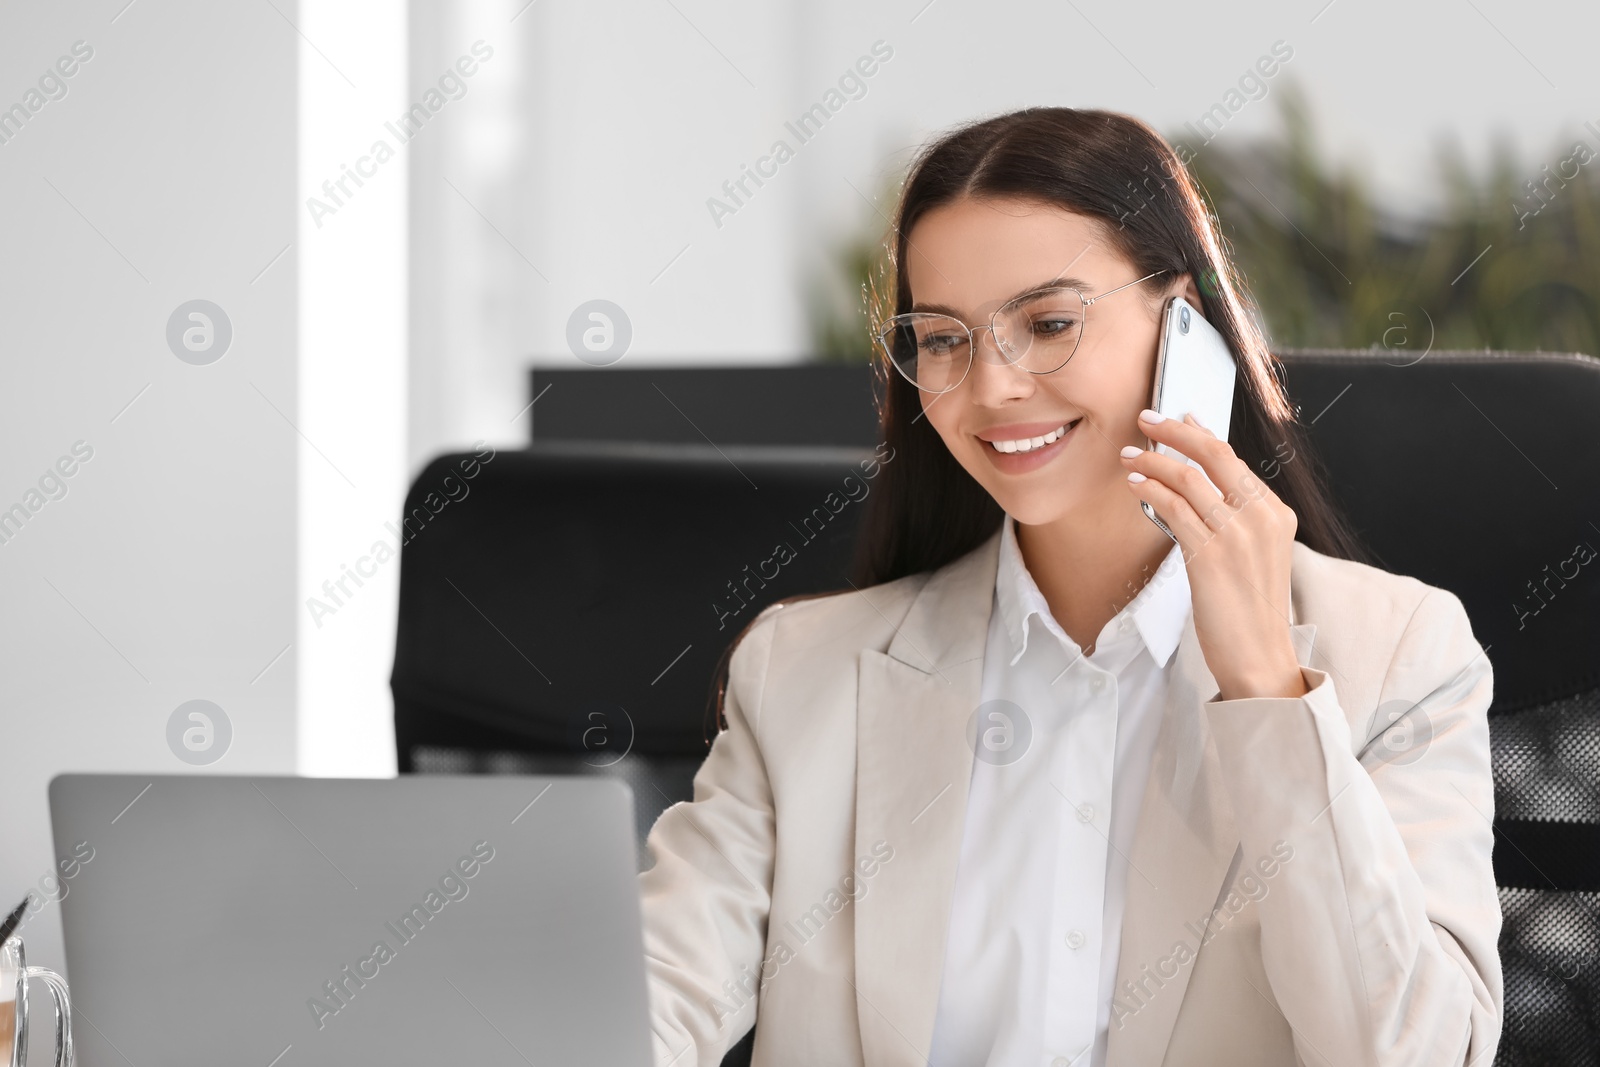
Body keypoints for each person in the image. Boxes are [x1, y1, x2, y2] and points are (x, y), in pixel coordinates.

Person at [638, 107, 1502, 1067]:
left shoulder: (1400, 654)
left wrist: (1266, 688)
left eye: (1047, 323)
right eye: (943, 340)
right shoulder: (799, 674)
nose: (992, 388)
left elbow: (1409, 1054)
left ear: (1186, 328)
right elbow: (641, 1007)